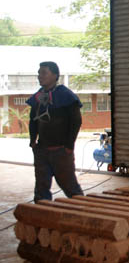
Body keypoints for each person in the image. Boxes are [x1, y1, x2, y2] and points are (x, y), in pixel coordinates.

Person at [26, 61, 84, 202]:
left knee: (70, 186)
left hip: (61, 151)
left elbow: (76, 122)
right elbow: (33, 120)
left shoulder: (66, 96)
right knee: (41, 187)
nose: (40, 76)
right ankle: (41, 217)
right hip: (42, 150)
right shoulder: (38, 97)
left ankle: (83, 212)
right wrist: (33, 140)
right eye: (39, 73)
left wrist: (69, 146)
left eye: (44, 72)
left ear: (55, 75)